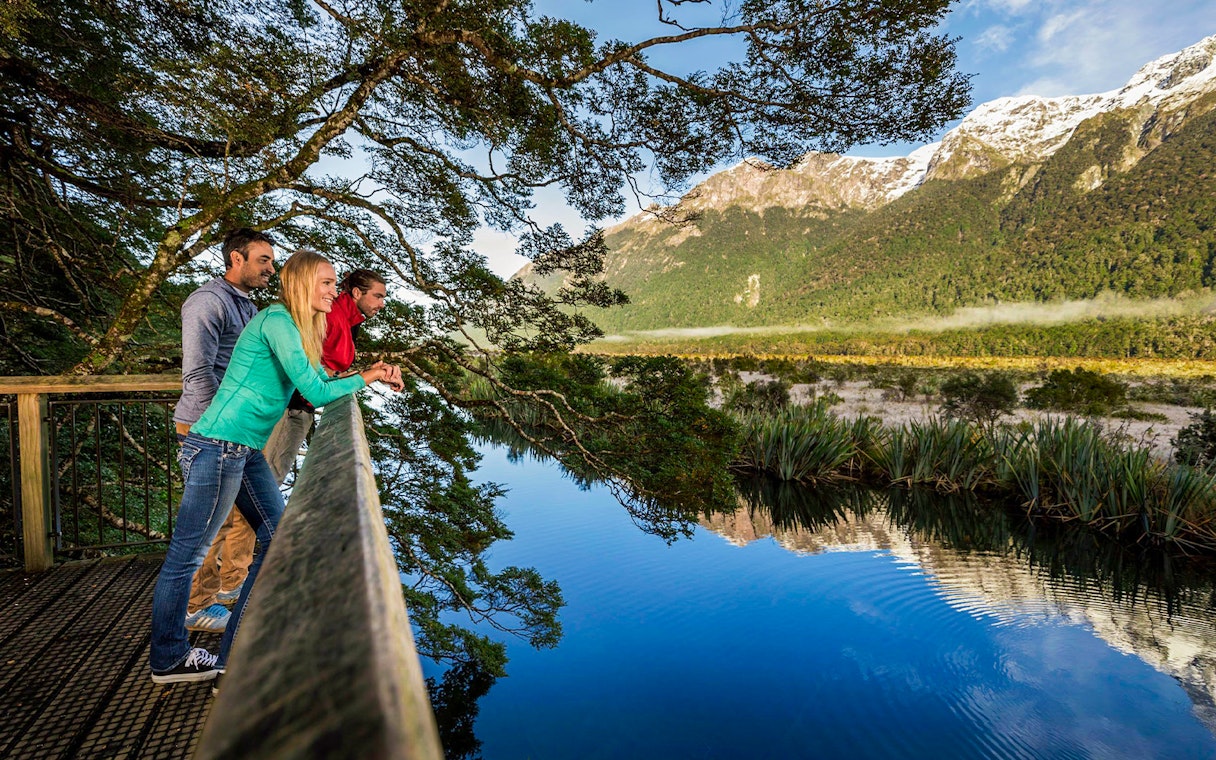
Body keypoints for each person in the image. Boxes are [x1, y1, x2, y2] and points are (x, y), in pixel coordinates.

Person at [150, 249, 403, 684]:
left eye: (335, 282)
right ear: (303, 283)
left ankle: (235, 653)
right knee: (185, 558)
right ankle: (168, 659)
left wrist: (368, 370)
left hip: (241, 450)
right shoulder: (278, 320)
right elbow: (317, 392)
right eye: (326, 283)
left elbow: (320, 383)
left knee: (276, 539)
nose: (333, 291)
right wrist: (372, 377)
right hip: (218, 445)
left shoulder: (299, 327)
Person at [173, 228, 275, 634]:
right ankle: (194, 608)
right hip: (208, 429)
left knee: (244, 522)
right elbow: (198, 374)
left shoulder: (247, 307)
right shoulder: (207, 302)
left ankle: (227, 590)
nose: (271, 267)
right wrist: (226, 421)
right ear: (236, 259)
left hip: (236, 433)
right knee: (210, 527)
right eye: (263, 259)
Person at [262, 268, 391, 483]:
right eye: (377, 296)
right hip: (289, 408)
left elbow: (325, 372)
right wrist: (370, 375)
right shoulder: (330, 316)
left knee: (268, 480)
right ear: (357, 293)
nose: (382, 304)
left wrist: (372, 373)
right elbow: (306, 367)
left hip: (301, 406)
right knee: (266, 480)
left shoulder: (349, 321)